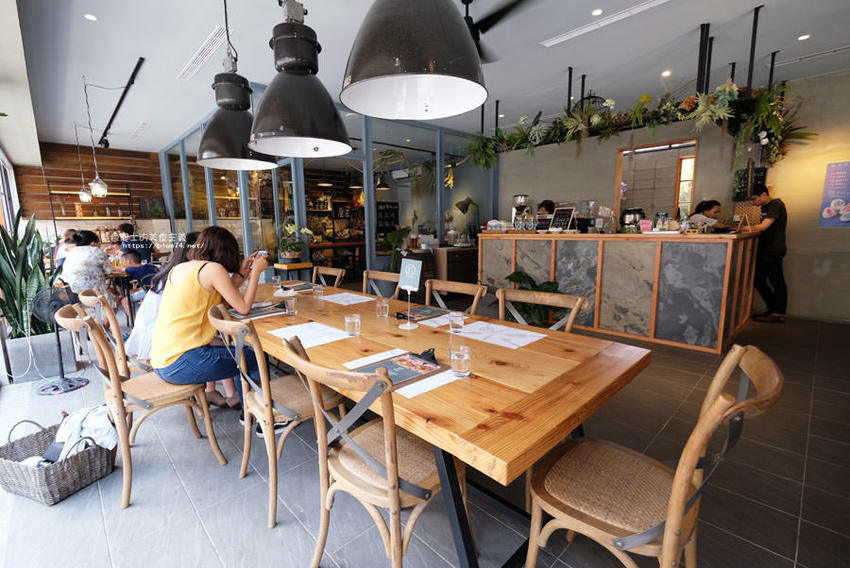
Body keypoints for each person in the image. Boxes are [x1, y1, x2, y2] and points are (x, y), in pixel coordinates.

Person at [150, 227, 269, 414]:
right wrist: (256, 273)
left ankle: (246, 407)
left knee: (242, 352)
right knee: (255, 357)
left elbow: (222, 297)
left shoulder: (180, 268)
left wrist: (242, 274)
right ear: (225, 250)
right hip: (182, 361)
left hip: (162, 360)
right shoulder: (213, 269)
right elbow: (243, 307)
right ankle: (260, 414)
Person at [749, 184, 788, 323]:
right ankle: (773, 309)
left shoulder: (775, 205)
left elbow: (764, 226)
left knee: (776, 281)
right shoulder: (765, 207)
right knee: (758, 279)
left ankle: (777, 313)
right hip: (767, 248)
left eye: (754, 199)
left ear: (764, 195)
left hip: (773, 248)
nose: (753, 202)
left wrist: (744, 228)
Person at [119, 250, 158, 315]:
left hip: (150, 293)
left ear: (128, 261)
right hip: (158, 290)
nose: (122, 264)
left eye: (123, 261)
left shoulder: (132, 270)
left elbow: (121, 270)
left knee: (125, 301)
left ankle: (134, 320)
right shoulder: (150, 266)